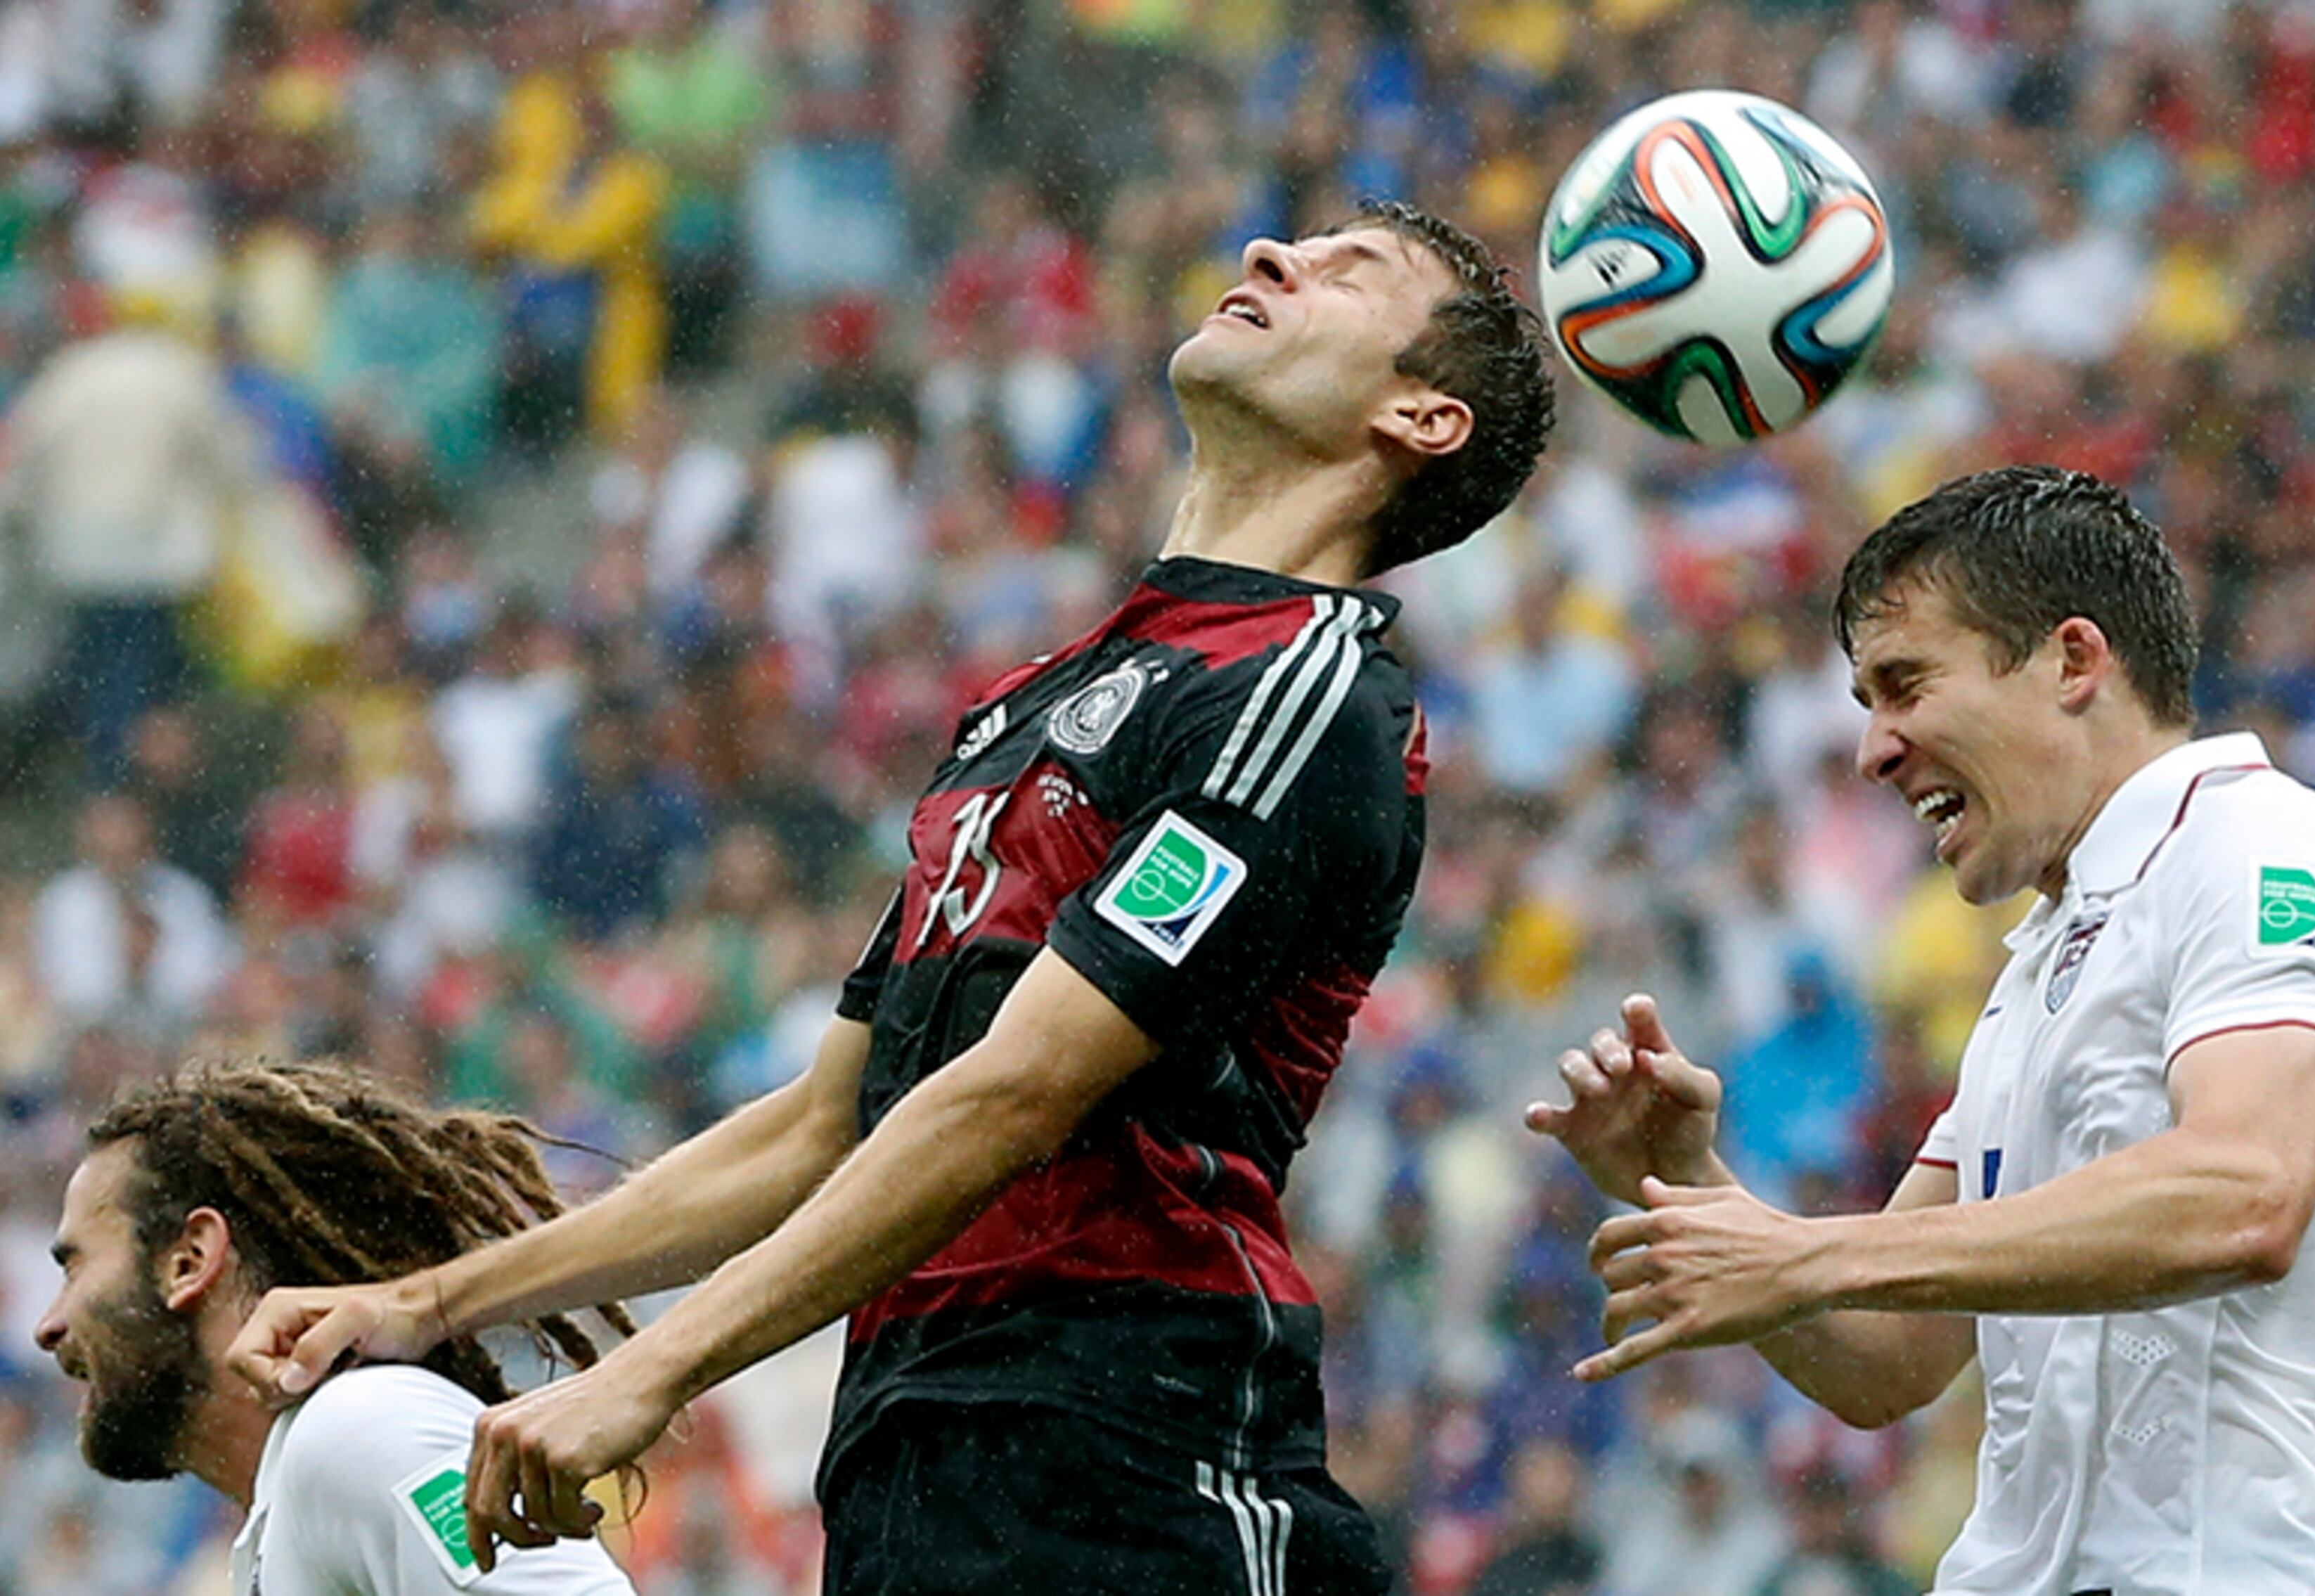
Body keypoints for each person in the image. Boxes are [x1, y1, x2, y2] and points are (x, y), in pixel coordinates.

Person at [231, 199, 1555, 1594]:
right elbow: (823, 1120)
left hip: (1136, 1450)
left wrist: (654, 1370)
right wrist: (430, 1300)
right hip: (907, 1460)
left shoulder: (1305, 692)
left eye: (1351, 275)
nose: (1273, 258)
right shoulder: (1028, 706)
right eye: (1296, 245)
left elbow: (1019, 1089)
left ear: (1425, 420)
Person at [1530, 465, 2315, 1594]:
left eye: (1905, 686)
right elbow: (1891, 1363)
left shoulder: (2260, 846)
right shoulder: (2040, 962)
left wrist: (1812, 1251)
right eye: (1865, 705)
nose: (1875, 749)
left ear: (2073, 661)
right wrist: (1693, 1182)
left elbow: (2245, 1192)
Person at [33, 1059, 637, 1595]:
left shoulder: (360, 1426)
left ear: (189, 1261)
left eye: (74, 1266)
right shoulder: (277, 1530)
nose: (48, 1326)